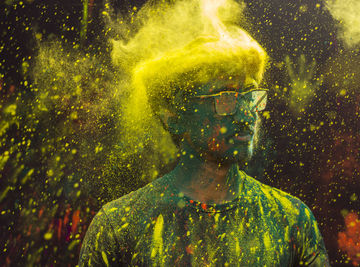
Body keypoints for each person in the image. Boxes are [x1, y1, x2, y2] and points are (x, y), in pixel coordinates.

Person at [79, 0, 330, 266]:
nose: (247, 114)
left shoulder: (291, 219)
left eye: (251, 96)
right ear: (173, 117)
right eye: (226, 98)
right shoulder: (120, 225)